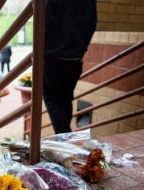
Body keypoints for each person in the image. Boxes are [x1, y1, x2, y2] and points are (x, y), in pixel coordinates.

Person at [43, 0, 97, 134]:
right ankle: (65, 137)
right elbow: (92, 23)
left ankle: (66, 139)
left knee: (52, 98)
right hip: (75, 58)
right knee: (65, 99)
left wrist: (42, 49)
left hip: (53, 57)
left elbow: (45, 21)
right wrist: (82, 48)